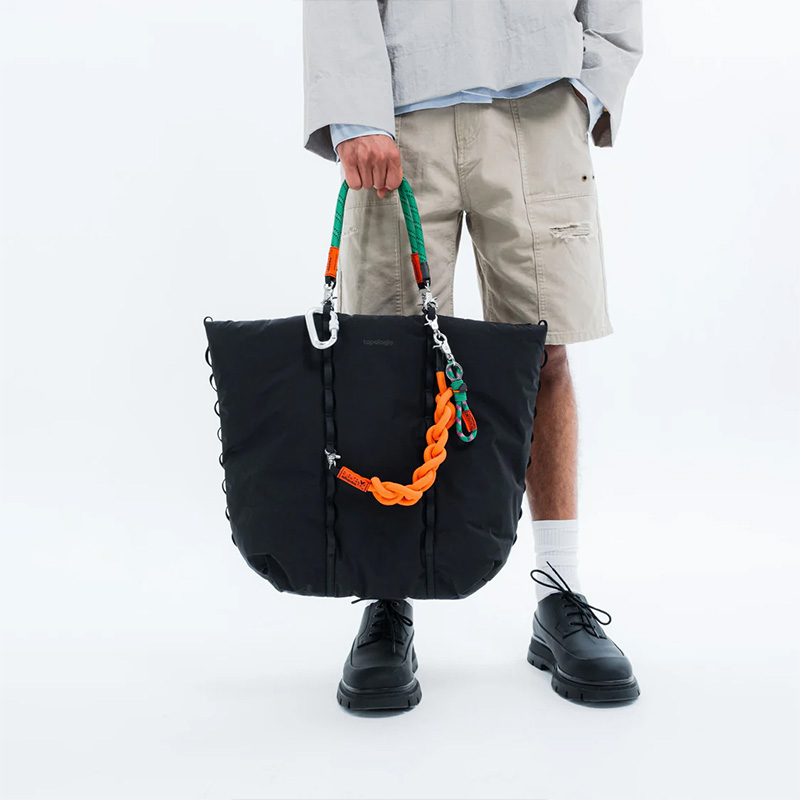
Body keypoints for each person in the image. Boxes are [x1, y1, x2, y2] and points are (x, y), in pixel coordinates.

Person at [302, 0, 644, 710]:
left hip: (541, 99)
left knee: (542, 352)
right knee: (389, 364)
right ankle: (387, 599)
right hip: (401, 110)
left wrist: (593, 80)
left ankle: (560, 591)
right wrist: (355, 114)